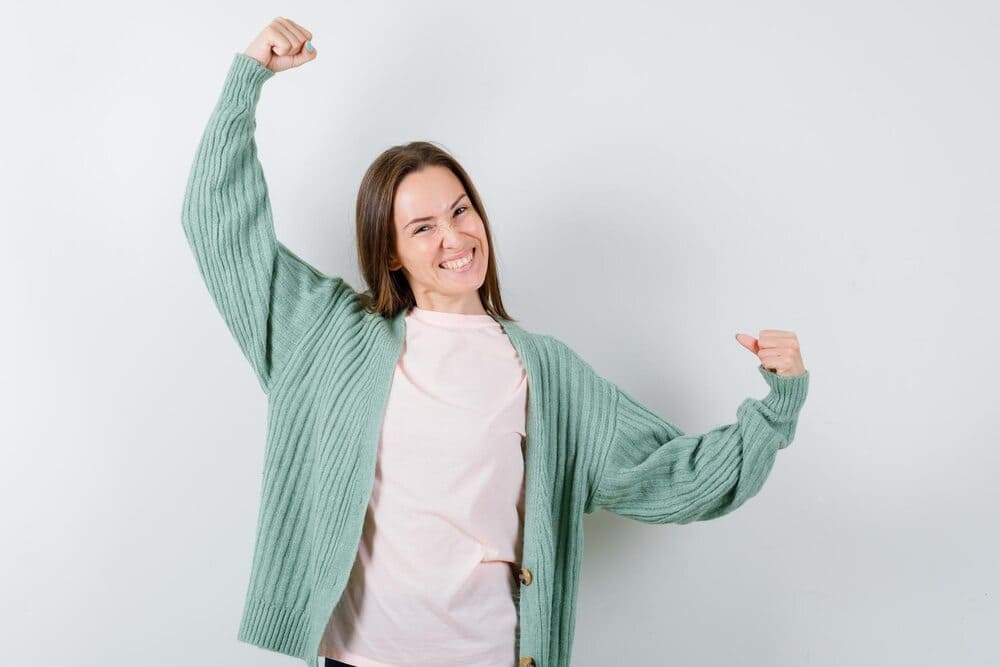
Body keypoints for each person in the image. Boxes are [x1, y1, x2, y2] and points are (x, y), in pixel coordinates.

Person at [181, 17, 810, 667]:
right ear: (390, 254)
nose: (453, 237)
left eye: (460, 210)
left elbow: (677, 475)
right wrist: (247, 79)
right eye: (421, 227)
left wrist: (777, 407)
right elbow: (218, 225)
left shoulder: (547, 373)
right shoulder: (330, 336)